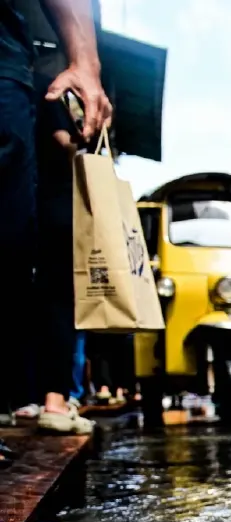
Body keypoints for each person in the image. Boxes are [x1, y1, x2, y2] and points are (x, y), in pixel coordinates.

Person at [0, 0, 111, 466]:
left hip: (42, 202)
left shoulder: (35, 75)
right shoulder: (52, 87)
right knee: (53, 292)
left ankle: (37, 398)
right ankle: (52, 401)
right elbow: (70, 146)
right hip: (59, 208)